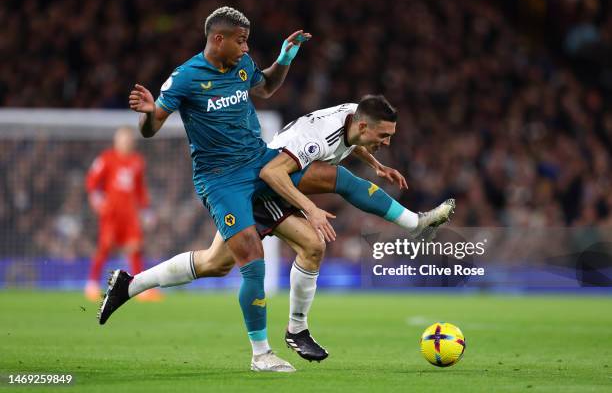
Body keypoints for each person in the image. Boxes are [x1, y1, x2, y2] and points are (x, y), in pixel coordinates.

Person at [99, 95, 455, 362]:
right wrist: (311, 207)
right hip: (263, 185)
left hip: (274, 185)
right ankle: (415, 223)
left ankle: (129, 285)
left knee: (215, 263)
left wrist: (376, 163)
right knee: (335, 189)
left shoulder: (353, 114)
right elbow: (273, 172)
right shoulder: (315, 139)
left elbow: (352, 142)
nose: (387, 142)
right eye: (384, 136)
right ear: (364, 125)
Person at [121, 6, 318, 372]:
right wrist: (149, 113)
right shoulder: (185, 78)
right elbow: (150, 130)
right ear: (218, 39)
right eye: (241, 41)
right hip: (220, 179)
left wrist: (285, 58)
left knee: (322, 189)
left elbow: (268, 87)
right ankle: (262, 355)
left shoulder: (242, 66)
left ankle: (130, 285)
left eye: (247, 41)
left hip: (259, 164)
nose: (245, 48)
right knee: (251, 260)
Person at [84, 127, 160, 302]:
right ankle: (92, 284)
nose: (126, 142)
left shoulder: (137, 161)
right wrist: (96, 199)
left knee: (135, 248)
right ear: (116, 141)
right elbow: (92, 180)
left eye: (129, 139)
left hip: (130, 214)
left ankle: (141, 288)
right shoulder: (106, 158)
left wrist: (146, 210)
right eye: (123, 139)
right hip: (111, 213)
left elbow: (140, 189)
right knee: (105, 247)